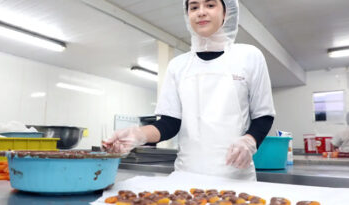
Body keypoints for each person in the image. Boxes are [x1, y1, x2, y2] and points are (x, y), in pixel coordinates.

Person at [103, 0, 275, 180]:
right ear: (187, 15)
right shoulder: (178, 66)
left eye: (210, 5)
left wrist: (250, 140)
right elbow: (169, 124)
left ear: (226, 12)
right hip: (186, 176)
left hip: (236, 178)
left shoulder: (249, 56)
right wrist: (138, 134)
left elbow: (263, 115)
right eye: (194, 7)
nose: (201, 12)